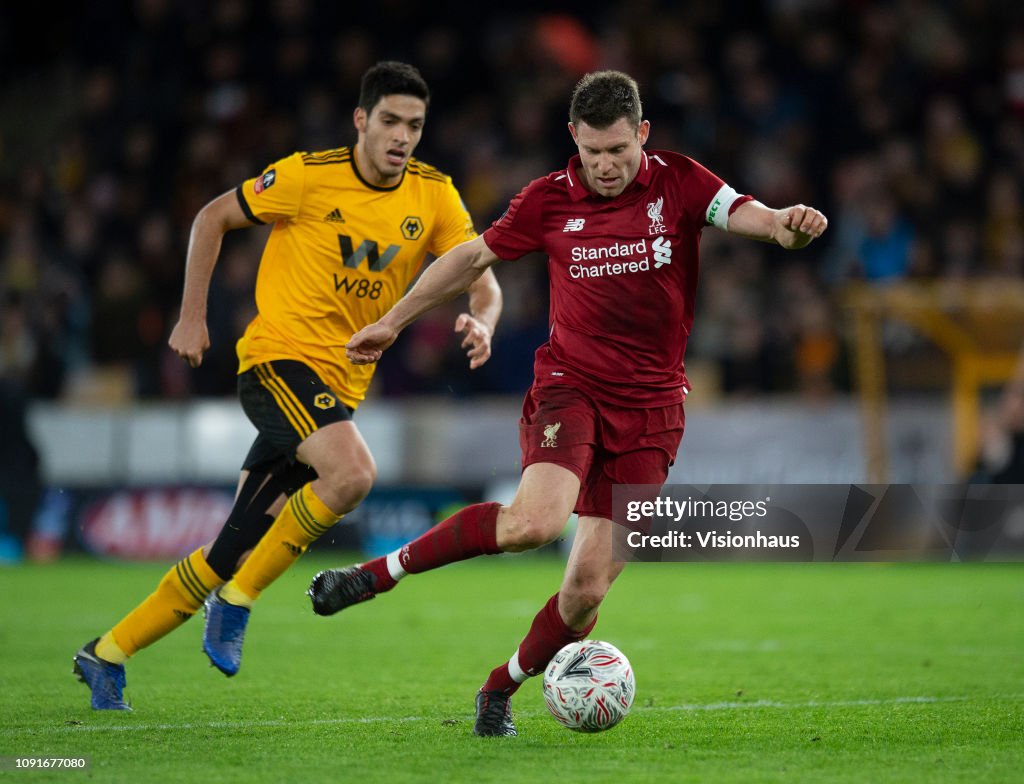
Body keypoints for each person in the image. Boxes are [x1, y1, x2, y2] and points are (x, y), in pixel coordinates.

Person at [308, 70, 828, 736]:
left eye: (619, 151)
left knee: (585, 593)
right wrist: (394, 320)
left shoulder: (680, 180)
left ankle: (498, 689)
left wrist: (784, 226)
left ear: (642, 135)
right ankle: (379, 574)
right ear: (573, 138)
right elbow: (470, 260)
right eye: (593, 153)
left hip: (654, 410)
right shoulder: (547, 200)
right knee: (535, 523)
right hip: (570, 388)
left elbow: (748, 214)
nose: (607, 166)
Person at [72, 61, 502, 710]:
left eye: (414, 125)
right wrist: (191, 315)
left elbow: (482, 272)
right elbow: (212, 218)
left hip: (336, 390)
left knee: (231, 547)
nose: (402, 136)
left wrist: (485, 318)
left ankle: (107, 652)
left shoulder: (433, 195)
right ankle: (239, 602)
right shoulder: (307, 175)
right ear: (361, 120)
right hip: (276, 366)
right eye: (389, 121)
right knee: (353, 474)